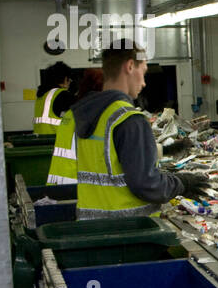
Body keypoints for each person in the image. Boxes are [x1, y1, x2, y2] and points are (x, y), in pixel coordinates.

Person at [70, 41, 208, 219]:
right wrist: (182, 183)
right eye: (143, 72)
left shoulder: (91, 116)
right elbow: (146, 185)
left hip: (91, 229)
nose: (143, 83)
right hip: (129, 232)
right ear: (129, 66)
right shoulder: (129, 119)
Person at [33, 60, 76, 136]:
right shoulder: (62, 94)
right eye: (69, 80)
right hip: (58, 141)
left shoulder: (42, 96)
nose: (69, 83)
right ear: (65, 79)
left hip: (40, 141)